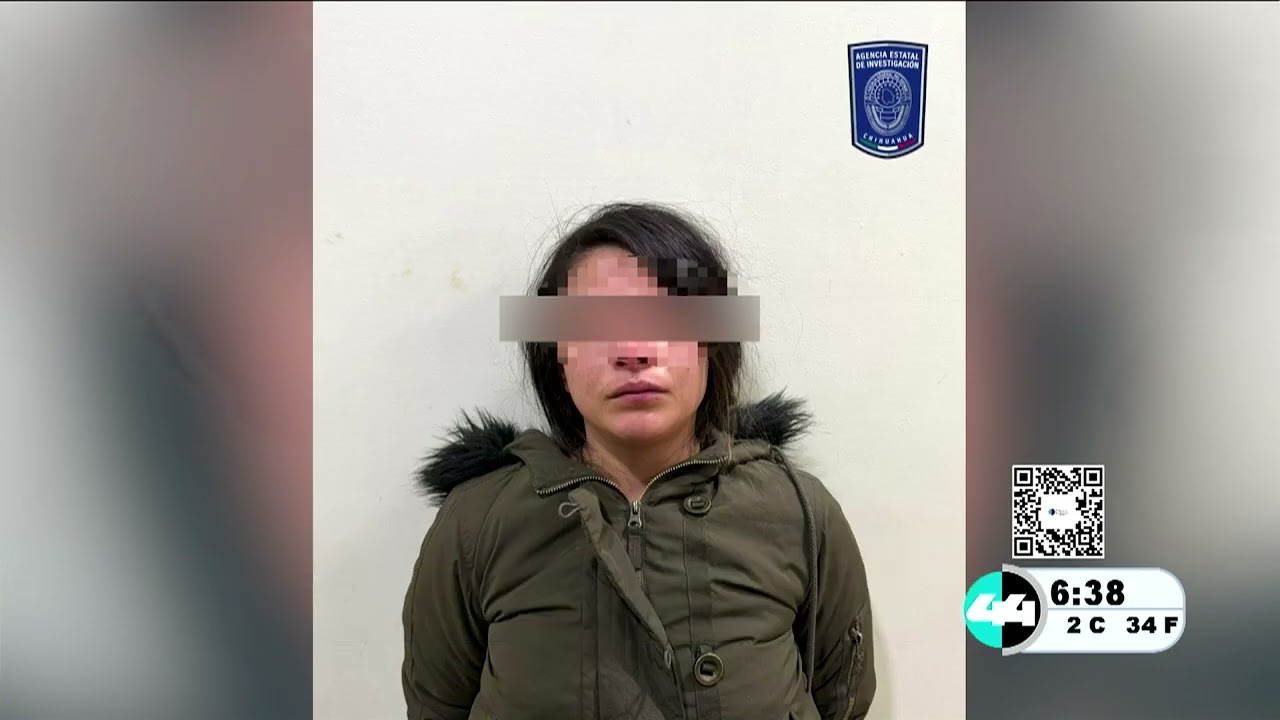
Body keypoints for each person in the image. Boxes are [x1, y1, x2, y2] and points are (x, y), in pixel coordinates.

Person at [401, 203, 876, 720]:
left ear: (709, 343)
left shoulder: (799, 514)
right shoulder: (477, 524)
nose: (633, 351)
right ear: (558, 352)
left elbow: (842, 700)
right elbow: (437, 705)